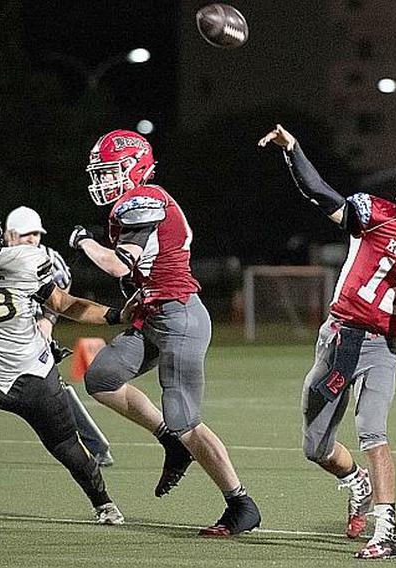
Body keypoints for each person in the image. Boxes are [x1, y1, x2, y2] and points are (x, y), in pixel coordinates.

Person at [258, 124, 396, 559]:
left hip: (381, 345)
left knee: (372, 429)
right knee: (315, 446)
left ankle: (386, 530)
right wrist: (293, 149)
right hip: (337, 337)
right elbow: (322, 194)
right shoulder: (375, 214)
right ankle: (356, 482)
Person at [69, 129, 260, 536]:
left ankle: (241, 503)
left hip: (180, 318)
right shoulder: (132, 203)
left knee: (185, 420)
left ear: (134, 165)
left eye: (110, 171)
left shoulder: (145, 198)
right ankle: (170, 441)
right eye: (99, 174)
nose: (103, 181)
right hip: (154, 315)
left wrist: (84, 241)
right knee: (101, 377)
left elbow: (121, 264)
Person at [0, 198, 125, 525]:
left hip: (32, 375)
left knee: (67, 448)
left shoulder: (24, 260)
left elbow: (64, 303)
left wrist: (117, 315)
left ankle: (103, 502)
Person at [5, 206, 114, 467]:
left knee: (54, 389)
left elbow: (62, 288)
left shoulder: (47, 258)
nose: (32, 240)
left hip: (29, 334)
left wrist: (48, 320)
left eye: (35, 235)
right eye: (25, 235)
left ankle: (97, 447)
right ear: (9, 235)